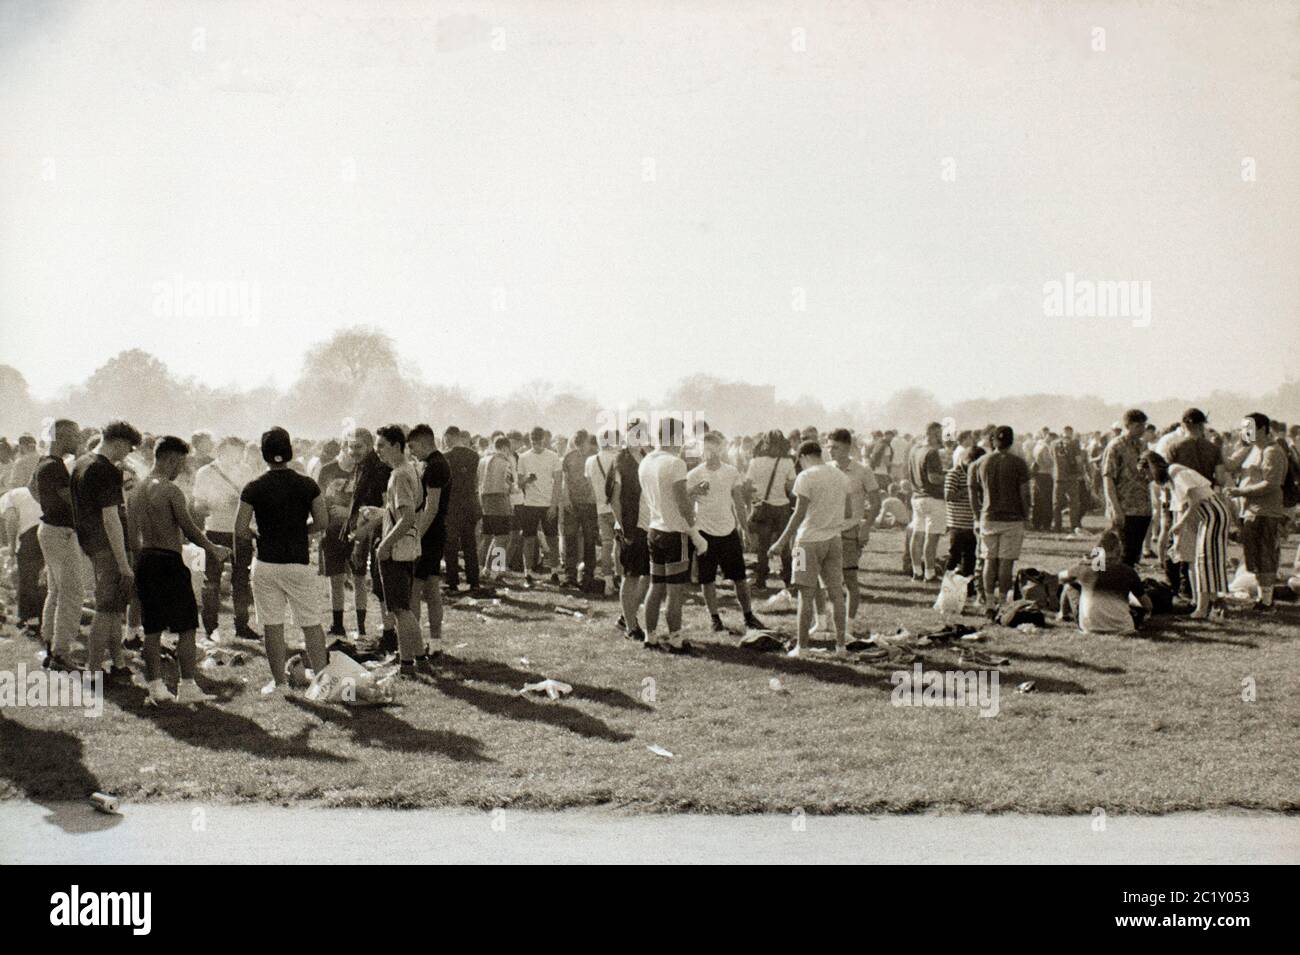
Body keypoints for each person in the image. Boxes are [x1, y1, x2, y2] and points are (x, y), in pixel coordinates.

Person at [127, 436, 230, 705]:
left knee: (152, 629)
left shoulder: (135, 491)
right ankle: (187, 686)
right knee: (186, 626)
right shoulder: (170, 491)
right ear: (170, 459)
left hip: (146, 559)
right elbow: (189, 529)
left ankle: (156, 688)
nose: (181, 469)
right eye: (181, 463)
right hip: (169, 560)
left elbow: (131, 537)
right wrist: (213, 548)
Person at [235, 427, 330, 696]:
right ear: (289, 451)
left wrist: (258, 534)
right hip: (297, 561)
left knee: (272, 624)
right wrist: (301, 531)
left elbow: (240, 527)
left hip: (266, 561)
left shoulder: (253, 486)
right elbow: (322, 522)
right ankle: (322, 683)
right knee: (311, 623)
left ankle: (278, 682)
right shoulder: (307, 484)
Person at [70, 420, 142, 683]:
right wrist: (124, 563)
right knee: (105, 610)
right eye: (130, 448)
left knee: (112, 609)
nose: (129, 453)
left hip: (91, 544)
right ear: (120, 442)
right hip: (108, 548)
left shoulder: (81, 463)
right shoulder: (106, 470)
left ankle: (118, 662)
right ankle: (93, 670)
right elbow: (111, 517)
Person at [355, 425, 431, 677]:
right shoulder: (410, 470)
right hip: (409, 547)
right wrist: (382, 514)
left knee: (400, 610)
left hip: (397, 549)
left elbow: (407, 516)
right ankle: (411, 663)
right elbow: (403, 512)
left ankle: (414, 662)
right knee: (403, 609)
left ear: (396, 446)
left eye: (381, 446)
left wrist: (384, 545)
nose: (377, 452)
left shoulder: (398, 474)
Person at [770, 440, 850, 657]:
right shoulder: (841, 475)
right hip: (834, 539)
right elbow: (848, 510)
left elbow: (798, 514)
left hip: (806, 542)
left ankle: (802, 647)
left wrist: (780, 542)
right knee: (836, 594)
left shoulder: (805, 476)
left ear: (804, 457)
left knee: (805, 595)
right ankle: (841, 646)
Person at [688, 431, 764, 633]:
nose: (711, 452)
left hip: (728, 531)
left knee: (739, 577)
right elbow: (686, 504)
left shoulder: (731, 472)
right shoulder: (694, 474)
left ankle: (748, 616)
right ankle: (714, 618)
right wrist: (692, 530)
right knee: (707, 578)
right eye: (707, 448)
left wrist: (745, 530)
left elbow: (738, 502)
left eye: (715, 448)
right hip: (705, 532)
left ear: (721, 449)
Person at [1139, 450, 1229, 619]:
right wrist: (1177, 541)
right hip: (1206, 517)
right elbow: (1182, 508)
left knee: (1205, 561)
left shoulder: (1176, 472)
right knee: (1202, 561)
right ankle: (1210, 603)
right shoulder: (1171, 479)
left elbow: (1194, 501)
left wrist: (1180, 524)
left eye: (1146, 472)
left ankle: (1204, 608)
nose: (1147, 477)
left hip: (1212, 515)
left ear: (1152, 466)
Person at [638, 418, 695, 653]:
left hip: (655, 528)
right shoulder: (676, 463)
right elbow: (681, 501)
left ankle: (649, 636)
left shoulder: (646, 461)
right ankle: (675, 638)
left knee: (656, 585)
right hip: (675, 531)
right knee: (674, 589)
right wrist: (693, 524)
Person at [193, 436, 257, 641]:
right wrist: (217, 503)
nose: (236, 457)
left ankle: (242, 626)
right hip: (215, 530)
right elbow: (198, 506)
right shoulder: (206, 472)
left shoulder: (246, 471)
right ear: (220, 452)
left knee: (241, 580)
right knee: (211, 581)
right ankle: (211, 628)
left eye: (239, 452)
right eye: (232, 452)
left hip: (241, 532)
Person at [32, 418, 83, 670]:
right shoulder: (57, 466)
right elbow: (72, 500)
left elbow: (32, 489)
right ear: (63, 437)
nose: (79, 440)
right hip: (60, 532)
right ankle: (61, 654)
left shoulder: (44, 462)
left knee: (56, 591)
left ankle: (51, 645)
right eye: (76, 436)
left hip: (49, 529)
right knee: (72, 592)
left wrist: (47, 504)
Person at [1225, 412, 1288, 611]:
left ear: (1262, 429)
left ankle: (1267, 601)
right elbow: (1230, 465)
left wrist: (1239, 491)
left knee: (1265, 556)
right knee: (1254, 558)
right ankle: (1263, 599)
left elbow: (1271, 483)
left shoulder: (1272, 452)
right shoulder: (1252, 449)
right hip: (1251, 511)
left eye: (1248, 428)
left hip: (1266, 511)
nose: (1245, 432)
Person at [967, 425, 1030, 609]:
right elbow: (1024, 493)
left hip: (988, 516)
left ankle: (988, 600)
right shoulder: (1018, 463)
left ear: (993, 441)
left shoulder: (978, 463)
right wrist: (1027, 514)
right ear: (1011, 441)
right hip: (1012, 518)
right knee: (1005, 562)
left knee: (988, 560)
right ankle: (1002, 601)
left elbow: (973, 493)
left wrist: (976, 516)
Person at [345, 427, 393, 649]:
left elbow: (387, 507)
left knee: (381, 583)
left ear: (369, 445)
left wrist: (364, 529)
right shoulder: (359, 467)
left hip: (379, 531)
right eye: (350, 446)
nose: (353, 451)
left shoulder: (381, 469)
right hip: (362, 530)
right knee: (359, 577)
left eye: (358, 446)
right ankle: (363, 628)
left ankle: (390, 633)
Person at [314, 436, 363, 644]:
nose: (352, 454)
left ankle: (361, 628)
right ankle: (338, 624)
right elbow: (317, 500)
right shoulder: (327, 470)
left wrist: (348, 512)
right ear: (342, 449)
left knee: (360, 578)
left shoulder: (363, 470)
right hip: (332, 532)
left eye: (355, 449)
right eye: (348, 448)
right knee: (336, 579)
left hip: (357, 530)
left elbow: (371, 503)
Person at [828, 428, 880, 622]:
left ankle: (849, 623)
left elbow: (876, 503)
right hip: (828, 531)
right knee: (828, 582)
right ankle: (829, 621)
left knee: (849, 580)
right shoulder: (826, 469)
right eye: (829, 447)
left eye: (835, 447)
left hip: (850, 531)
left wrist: (866, 528)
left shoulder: (862, 471)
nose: (831, 451)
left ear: (848, 447)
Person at [1058, 530, 1152, 634]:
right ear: (1119, 550)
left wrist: (1083, 565)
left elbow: (1061, 577)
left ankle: (1062, 614)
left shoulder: (1085, 567)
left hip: (1090, 628)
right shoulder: (1128, 571)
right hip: (1124, 628)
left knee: (1070, 583)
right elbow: (1147, 605)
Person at [407, 424, 449, 659]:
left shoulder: (435, 466)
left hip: (428, 535)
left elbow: (431, 508)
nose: (411, 452)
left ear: (424, 443)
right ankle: (435, 643)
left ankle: (416, 644)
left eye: (413, 447)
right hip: (434, 534)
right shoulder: (433, 464)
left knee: (414, 590)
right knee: (432, 590)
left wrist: (415, 538)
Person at [608, 423, 651, 642]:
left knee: (649, 575)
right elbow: (614, 499)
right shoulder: (621, 461)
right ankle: (631, 626)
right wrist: (624, 527)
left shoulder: (647, 457)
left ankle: (627, 616)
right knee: (632, 575)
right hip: (631, 526)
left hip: (649, 524)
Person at [1102, 408, 1153, 567]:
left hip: (1142, 508)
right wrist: (1115, 508)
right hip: (1124, 508)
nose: (1143, 429)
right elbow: (1108, 478)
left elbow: (1148, 473)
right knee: (1109, 549)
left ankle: (1127, 586)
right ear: (1128, 425)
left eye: (1144, 426)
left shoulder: (1143, 445)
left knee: (1132, 556)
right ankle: (1097, 581)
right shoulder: (1115, 446)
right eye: (1138, 426)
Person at [745, 430, 795, 591]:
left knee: (763, 546)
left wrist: (756, 497)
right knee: (784, 545)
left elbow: (747, 486)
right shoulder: (787, 462)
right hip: (782, 507)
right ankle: (788, 579)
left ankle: (761, 581)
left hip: (763, 506)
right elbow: (791, 486)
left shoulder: (755, 462)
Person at [517, 426, 562, 586]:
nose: (536, 444)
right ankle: (527, 573)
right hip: (530, 504)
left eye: (538, 440)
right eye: (533, 441)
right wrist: (527, 480)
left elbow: (558, 482)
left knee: (552, 539)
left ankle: (555, 571)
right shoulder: (523, 457)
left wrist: (553, 505)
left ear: (544, 439)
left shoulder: (553, 456)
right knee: (529, 538)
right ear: (530, 440)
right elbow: (519, 482)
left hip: (547, 503)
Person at [442, 426, 483, 594]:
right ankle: (474, 582)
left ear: (449, 437)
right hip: (469, 504)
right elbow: (476, 482)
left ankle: (453, 583)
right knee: (469, 545)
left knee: (450, 546)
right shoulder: (474, 456)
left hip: (451, 506)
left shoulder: (445, 457)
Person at [907, 421, 947, 582]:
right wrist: (949, 476)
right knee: (932, 538)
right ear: (935, 434)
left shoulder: (914, 450)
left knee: (917, 535)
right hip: (933, 497)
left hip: (917, 496)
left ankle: (917, 571)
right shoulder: (932, 453)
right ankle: (929, 573)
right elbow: (934, 478)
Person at [560, 429, 599, 591]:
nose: (579, 448)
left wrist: (593, 497)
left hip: (590, 504)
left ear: (587, 442)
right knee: (570, 540)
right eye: (577, 445)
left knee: (590, 541)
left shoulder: (595, 456)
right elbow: (565, 480)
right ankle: (570, 575)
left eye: (581, 445)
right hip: (573, 504)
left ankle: (588, 575)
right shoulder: (569, 457)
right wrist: (566, 498)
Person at [1, 482, 44, 631]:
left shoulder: (6, 499)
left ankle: (30, 620)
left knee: (27, 579)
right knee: (43, 578)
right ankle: (42, 617)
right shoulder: (23, 492)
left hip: (32, 534)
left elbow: (11, 521)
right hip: (49, 528)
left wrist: (12, 548)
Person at [585, 428, 621, 595]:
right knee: (620, 545)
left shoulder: (590, 461)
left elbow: (590, 487)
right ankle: (621, 578)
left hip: (601, 507)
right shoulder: (618, 458)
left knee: (607, 545)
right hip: (619, 507)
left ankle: (608, 582)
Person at [478, 436, 516, 581]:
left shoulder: (483, 460)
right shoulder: (505, 462)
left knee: (493, 537)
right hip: (499, 499)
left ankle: (487, 569)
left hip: (485, 500)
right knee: (502, 537)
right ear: (505, 448)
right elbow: (507, 485)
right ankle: (494, 569)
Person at [1051, 426, 1086, 534]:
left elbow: (1052, 457)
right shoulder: (1074, 444)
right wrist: (1081, 473)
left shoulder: (1053, 444)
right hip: (1072, 477)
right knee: (1073, 503)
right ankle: (1073, 526)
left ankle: (1057, 526)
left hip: (1058, 476)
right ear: (1071, 432)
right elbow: (1078, 460)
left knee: (1057, 503)